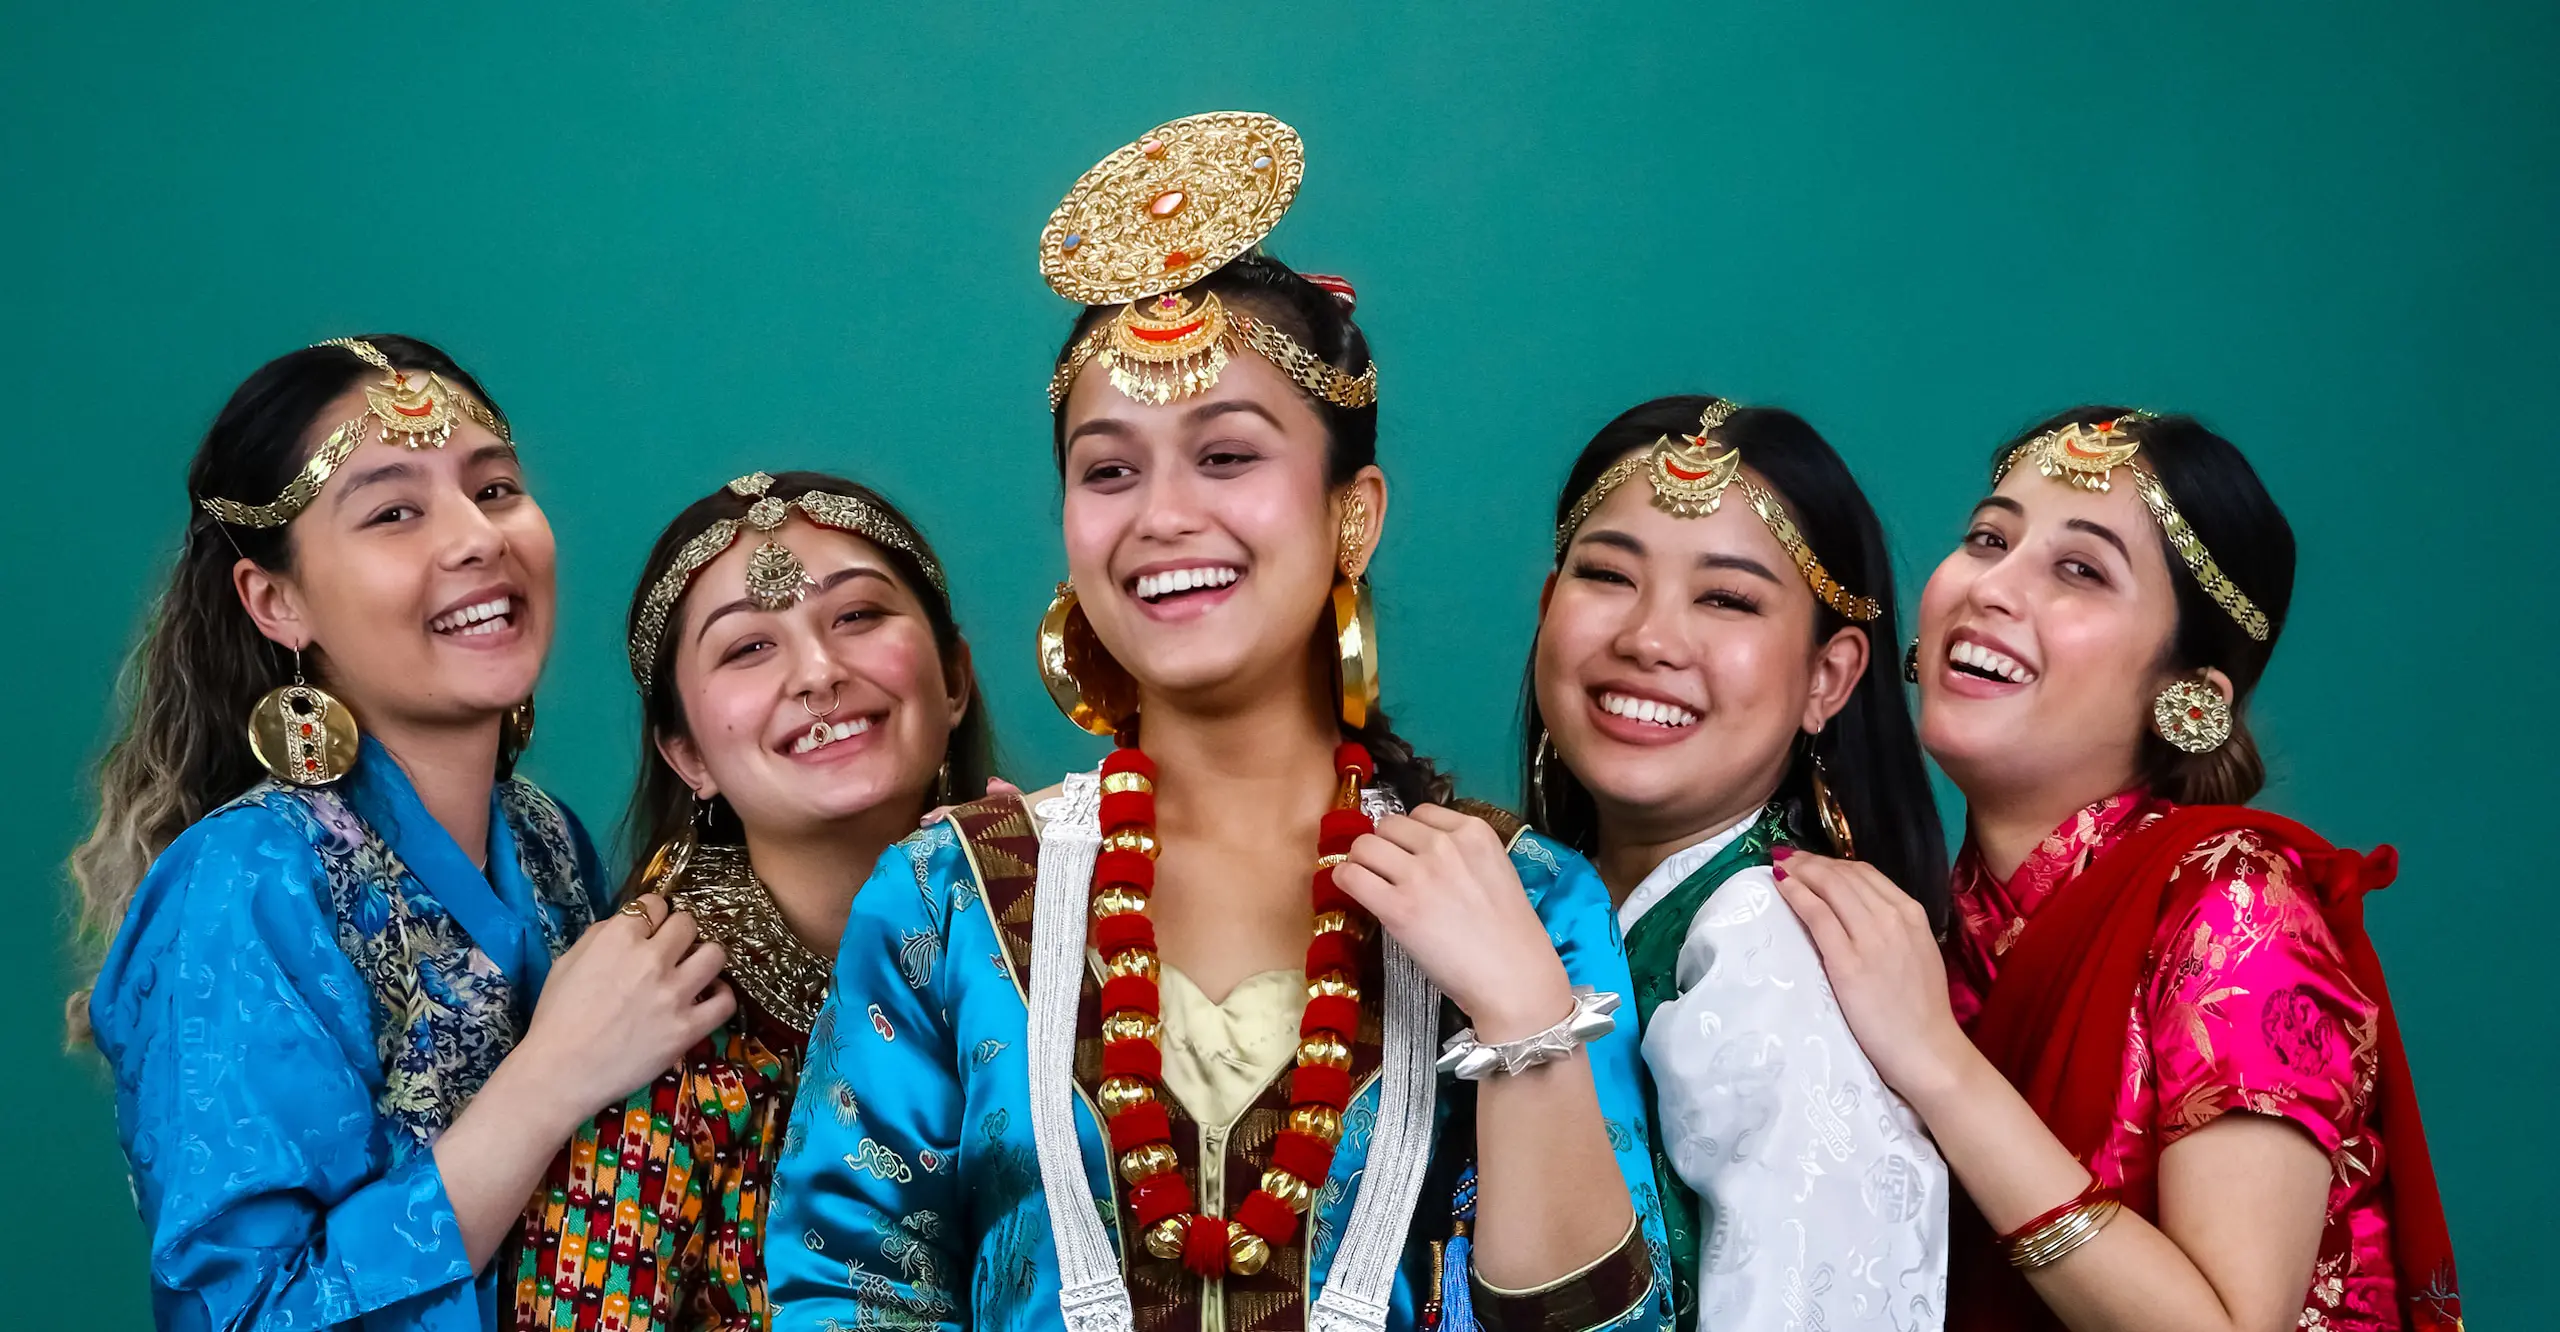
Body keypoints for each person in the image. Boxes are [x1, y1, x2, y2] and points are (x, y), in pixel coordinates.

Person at [766, 112, 1669, 1332]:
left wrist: (1522, 1020)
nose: (1162, 516)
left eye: (1228, 456)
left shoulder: (1528, 900)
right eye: (1109, 469)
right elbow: (844, 1290)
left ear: (1352, 514)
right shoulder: (948, 897)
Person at [76, 336, 735, 1331]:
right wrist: (549, 1079)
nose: (477, 539)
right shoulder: (244, 882)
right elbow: (247, 1316)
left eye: (497, 490)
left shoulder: (547, 842)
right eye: (394, 512)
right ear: (277, 600)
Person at [1772, 409, 2461, 1332]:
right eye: (1988, 538)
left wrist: (1938, 1063)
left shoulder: (2234, 906)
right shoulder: (1917, 928)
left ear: (2188, 694)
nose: (1992, 588)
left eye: (2080, 571)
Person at [505, 470, 991, 1330]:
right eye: (748, 649)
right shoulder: (657, 1026)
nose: (818, 671)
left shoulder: (1070, 924)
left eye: (857, 616)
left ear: (952, 678)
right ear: (687, 754)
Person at [1526, 395, 1950, 1330]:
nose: (1649, 639)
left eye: (1726, 598)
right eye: (1607, 576)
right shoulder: (1539, 895)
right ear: (1549, 607)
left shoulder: (1769, 946)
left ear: (1827, 678)